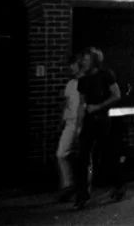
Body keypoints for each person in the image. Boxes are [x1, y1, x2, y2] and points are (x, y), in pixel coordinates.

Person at [73, 47, 125, 209]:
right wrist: (77, 125)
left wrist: (99, 107)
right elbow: (81, 104)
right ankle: (82, 196)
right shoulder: (83, 80)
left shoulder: (106, 75)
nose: (83, 62)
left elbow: (117, 95)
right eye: (83, 60)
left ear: (95, 61)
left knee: (107, 156)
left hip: (102, 121)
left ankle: (118, 186)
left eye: (87, 60)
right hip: (88, 122)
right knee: (81, 158)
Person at [56, 54, 83, 201]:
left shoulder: (85, 83)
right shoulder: (70, 84)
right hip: (69, 124)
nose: (70, 68)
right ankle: (68, 185)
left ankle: (83, 189)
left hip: (82, 124)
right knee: (61, 154)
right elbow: (67, 104)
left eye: (73, 64)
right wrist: (61, 120)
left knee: (84, 157)